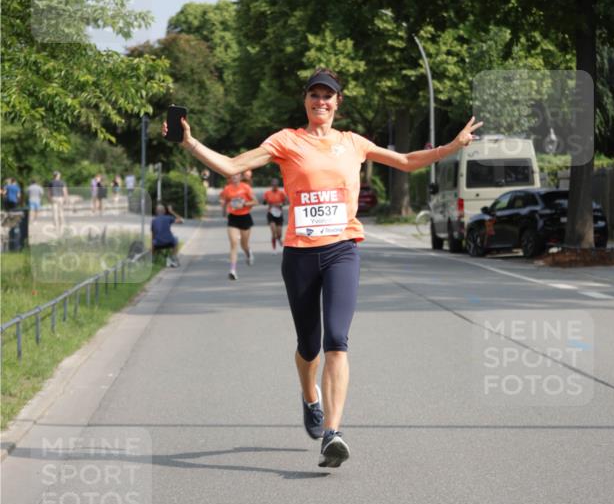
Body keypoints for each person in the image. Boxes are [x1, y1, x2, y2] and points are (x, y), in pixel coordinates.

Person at [162, 67, 482, 468]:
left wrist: (451, 146)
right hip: (300, 254)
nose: (321, 102)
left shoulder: (353, 143)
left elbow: (404, 160)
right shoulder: (286, 141)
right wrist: (190, 142)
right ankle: (309, 395)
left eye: (328, 96)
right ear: (305, 101)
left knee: (336, 340)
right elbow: (230, 165)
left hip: (341, 251)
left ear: (337, 102)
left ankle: (333, 434)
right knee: (308, 345)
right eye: (314, 95)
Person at [219, 173, 257, 280]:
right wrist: (223, 210)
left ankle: (248, 253)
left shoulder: (246, 187)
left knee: (244, 244)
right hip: (233, 217)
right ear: (230, 178)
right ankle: (232, 270)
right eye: (233, 176)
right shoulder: (227, 189)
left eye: (236, 176)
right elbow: (225, 200)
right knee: (234, 243)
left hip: (245, 217)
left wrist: (244, 204)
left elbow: (255, 201)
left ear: (240, 177)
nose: (234, 178)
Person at [151, 203, 183, 267]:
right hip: (169, 242)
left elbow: (153, 235)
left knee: (153, 241)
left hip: (157, 244)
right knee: (176, 238)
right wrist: (171, 211)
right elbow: (181, 220)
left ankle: (153, 258)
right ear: (164, 211)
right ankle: (173, 257)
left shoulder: (153, 221)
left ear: (156, 212)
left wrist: (152, 247)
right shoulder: (168, 218)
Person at [263, 177, 288, 251]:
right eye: (273, 185)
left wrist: (281, 204)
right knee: (273, 232)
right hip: (271, 213)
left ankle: (279, 239)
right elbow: (264, 202)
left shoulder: (281, 193)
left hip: (279, 214)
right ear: (271, 185)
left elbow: (286, 202)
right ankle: (274, 249)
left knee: (279, 233)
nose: (274, 186)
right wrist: (266, 202)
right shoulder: (267, 193)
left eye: (276, 185)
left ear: (277, 185)